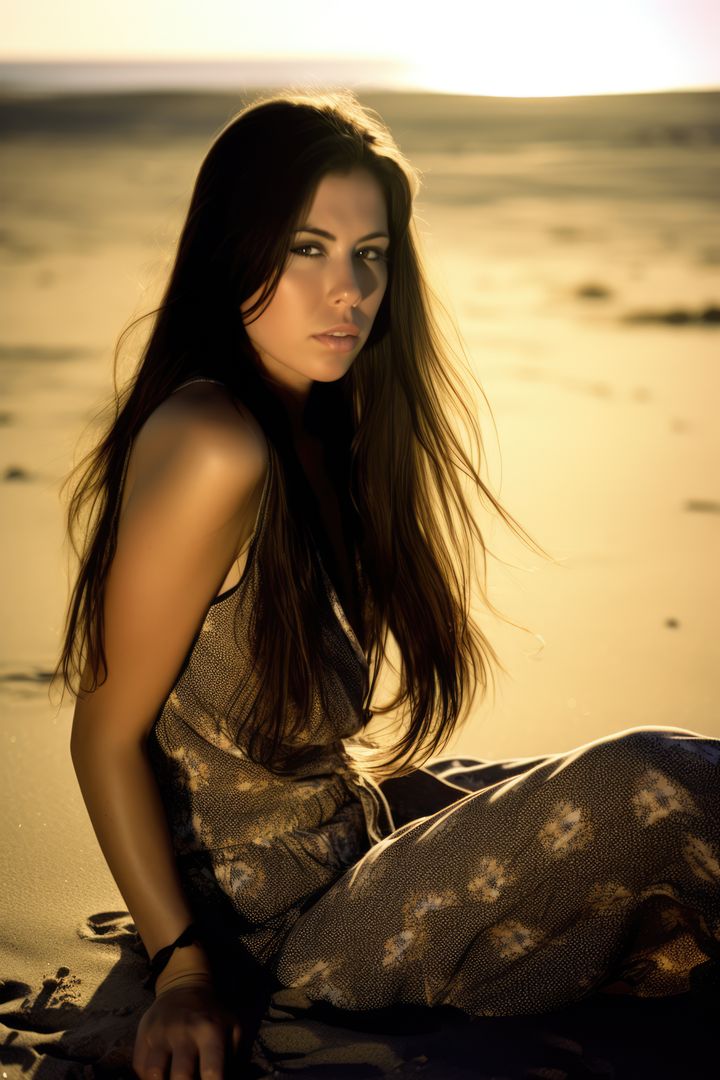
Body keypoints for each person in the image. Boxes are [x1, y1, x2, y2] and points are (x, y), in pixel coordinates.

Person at [52, 89, 720, 1080]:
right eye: (307, 248)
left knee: (675, 778)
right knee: (655, 781)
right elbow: (102, 733)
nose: (349, 291)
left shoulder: (312, 429)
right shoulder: (213, 443)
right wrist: (184, 973)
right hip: (283, 931)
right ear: (234, 250)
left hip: (348, 842)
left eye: (371, 255)